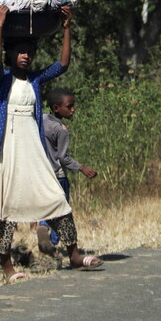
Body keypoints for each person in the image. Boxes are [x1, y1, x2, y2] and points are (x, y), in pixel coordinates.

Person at [0, 5, 102, 282]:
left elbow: (63, 65)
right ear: (12, 54)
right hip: (7, 148)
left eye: (30, 52)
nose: (26, 56)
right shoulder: (3, 80)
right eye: (20, 52)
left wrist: (67, 27)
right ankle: (8, 268)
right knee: (5, 206)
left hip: (32, 148)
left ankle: (73, 255)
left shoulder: (35, 79)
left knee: (55, 196)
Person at [36, 88, 97, 253]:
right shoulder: (61, 129)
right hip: (58, 175)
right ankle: (53, 242)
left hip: (42, 174)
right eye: (69, 106)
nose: (73, 109)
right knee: (62, 209)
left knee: (47, 206)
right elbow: (62, 157)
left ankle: (43, 226)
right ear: (56, 108)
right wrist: (82, 168)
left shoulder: (41, 121)